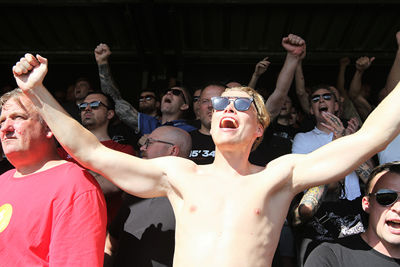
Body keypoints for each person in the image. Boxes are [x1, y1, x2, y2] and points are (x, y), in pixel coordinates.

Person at [12, 53, 400, 267]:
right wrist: (39, 94)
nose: (226, 107)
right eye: (219, 104)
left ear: (260, 128)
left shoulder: (279, 176)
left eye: (241, 103)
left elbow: (371, 136)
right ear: (211, 122)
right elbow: (92, 152)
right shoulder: (180, 173)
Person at [0, 88, 107, 266]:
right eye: (2, 121)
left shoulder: (74, 185)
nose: (5, 128)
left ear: (49, 127)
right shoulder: (2, 180)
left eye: (18, 117)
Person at [106, 126, 192, 267]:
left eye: (149, 143)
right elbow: (110, 245)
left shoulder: (193, 197)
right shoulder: (136, 191)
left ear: (173, 151)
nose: (142, 148)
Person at [58, 92, 136, 227]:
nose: (87, 109)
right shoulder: (63, 149)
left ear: (110, 114)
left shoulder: (123, 151)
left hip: (100, 230)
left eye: (95, 105)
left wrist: (68, 172)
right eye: (83, 106)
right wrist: (96, 174)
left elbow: (109, 186)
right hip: (62, 224)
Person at [304, 161, 400, 266]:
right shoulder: (328, 255)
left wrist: (350, 156)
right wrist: (327, 170)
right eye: (387, 197)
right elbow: (305, 210)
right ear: (366, 204)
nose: (398, 208)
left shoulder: (353, 204)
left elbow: (378, 183)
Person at [94, 43, 196, 135]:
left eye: (176, 92)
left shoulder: (191, 131)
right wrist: (102, 63)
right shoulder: (148, 123)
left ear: (184, 106)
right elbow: (114, 100)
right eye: (166, 91)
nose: (169, 93)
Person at [189, 83, 225, 165]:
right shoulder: (185, 139)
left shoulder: (239, 143)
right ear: (198, 106)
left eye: (218, 100)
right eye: (205, 101)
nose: (210, 105)